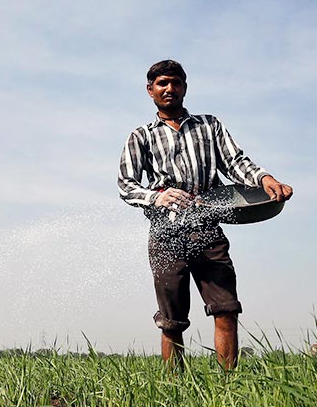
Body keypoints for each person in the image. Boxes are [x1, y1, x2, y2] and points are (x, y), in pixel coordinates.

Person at [118, 59, 292, 369]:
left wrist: (266, 179)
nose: (169, 88)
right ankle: (175, 392)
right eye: (162, 84)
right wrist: (157, 197)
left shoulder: (209, 125)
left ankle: (229, 388)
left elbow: (236, 162)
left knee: (226, 309)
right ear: (150, 90)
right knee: (172, 321)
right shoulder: (141, 136)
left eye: (175, 82)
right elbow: (126, 185)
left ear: (185, 87)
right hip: (165, 235)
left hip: (208, 229)